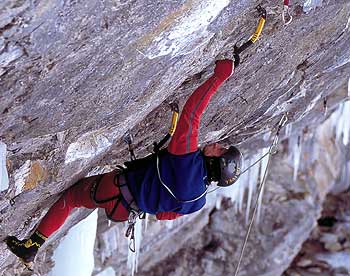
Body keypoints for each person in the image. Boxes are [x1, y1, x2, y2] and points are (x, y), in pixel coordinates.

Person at [5, 59, 243, 267]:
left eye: (220, 149)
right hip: (125, 211)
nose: (217, 144)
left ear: (216, 161)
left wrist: (218, 76)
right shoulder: (198, 201)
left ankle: (32, 245)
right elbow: (163, 215)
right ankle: (30, 247)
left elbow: (192, 114)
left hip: (116, 188)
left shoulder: (187, 159)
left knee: (71, 199)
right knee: (75, 203)